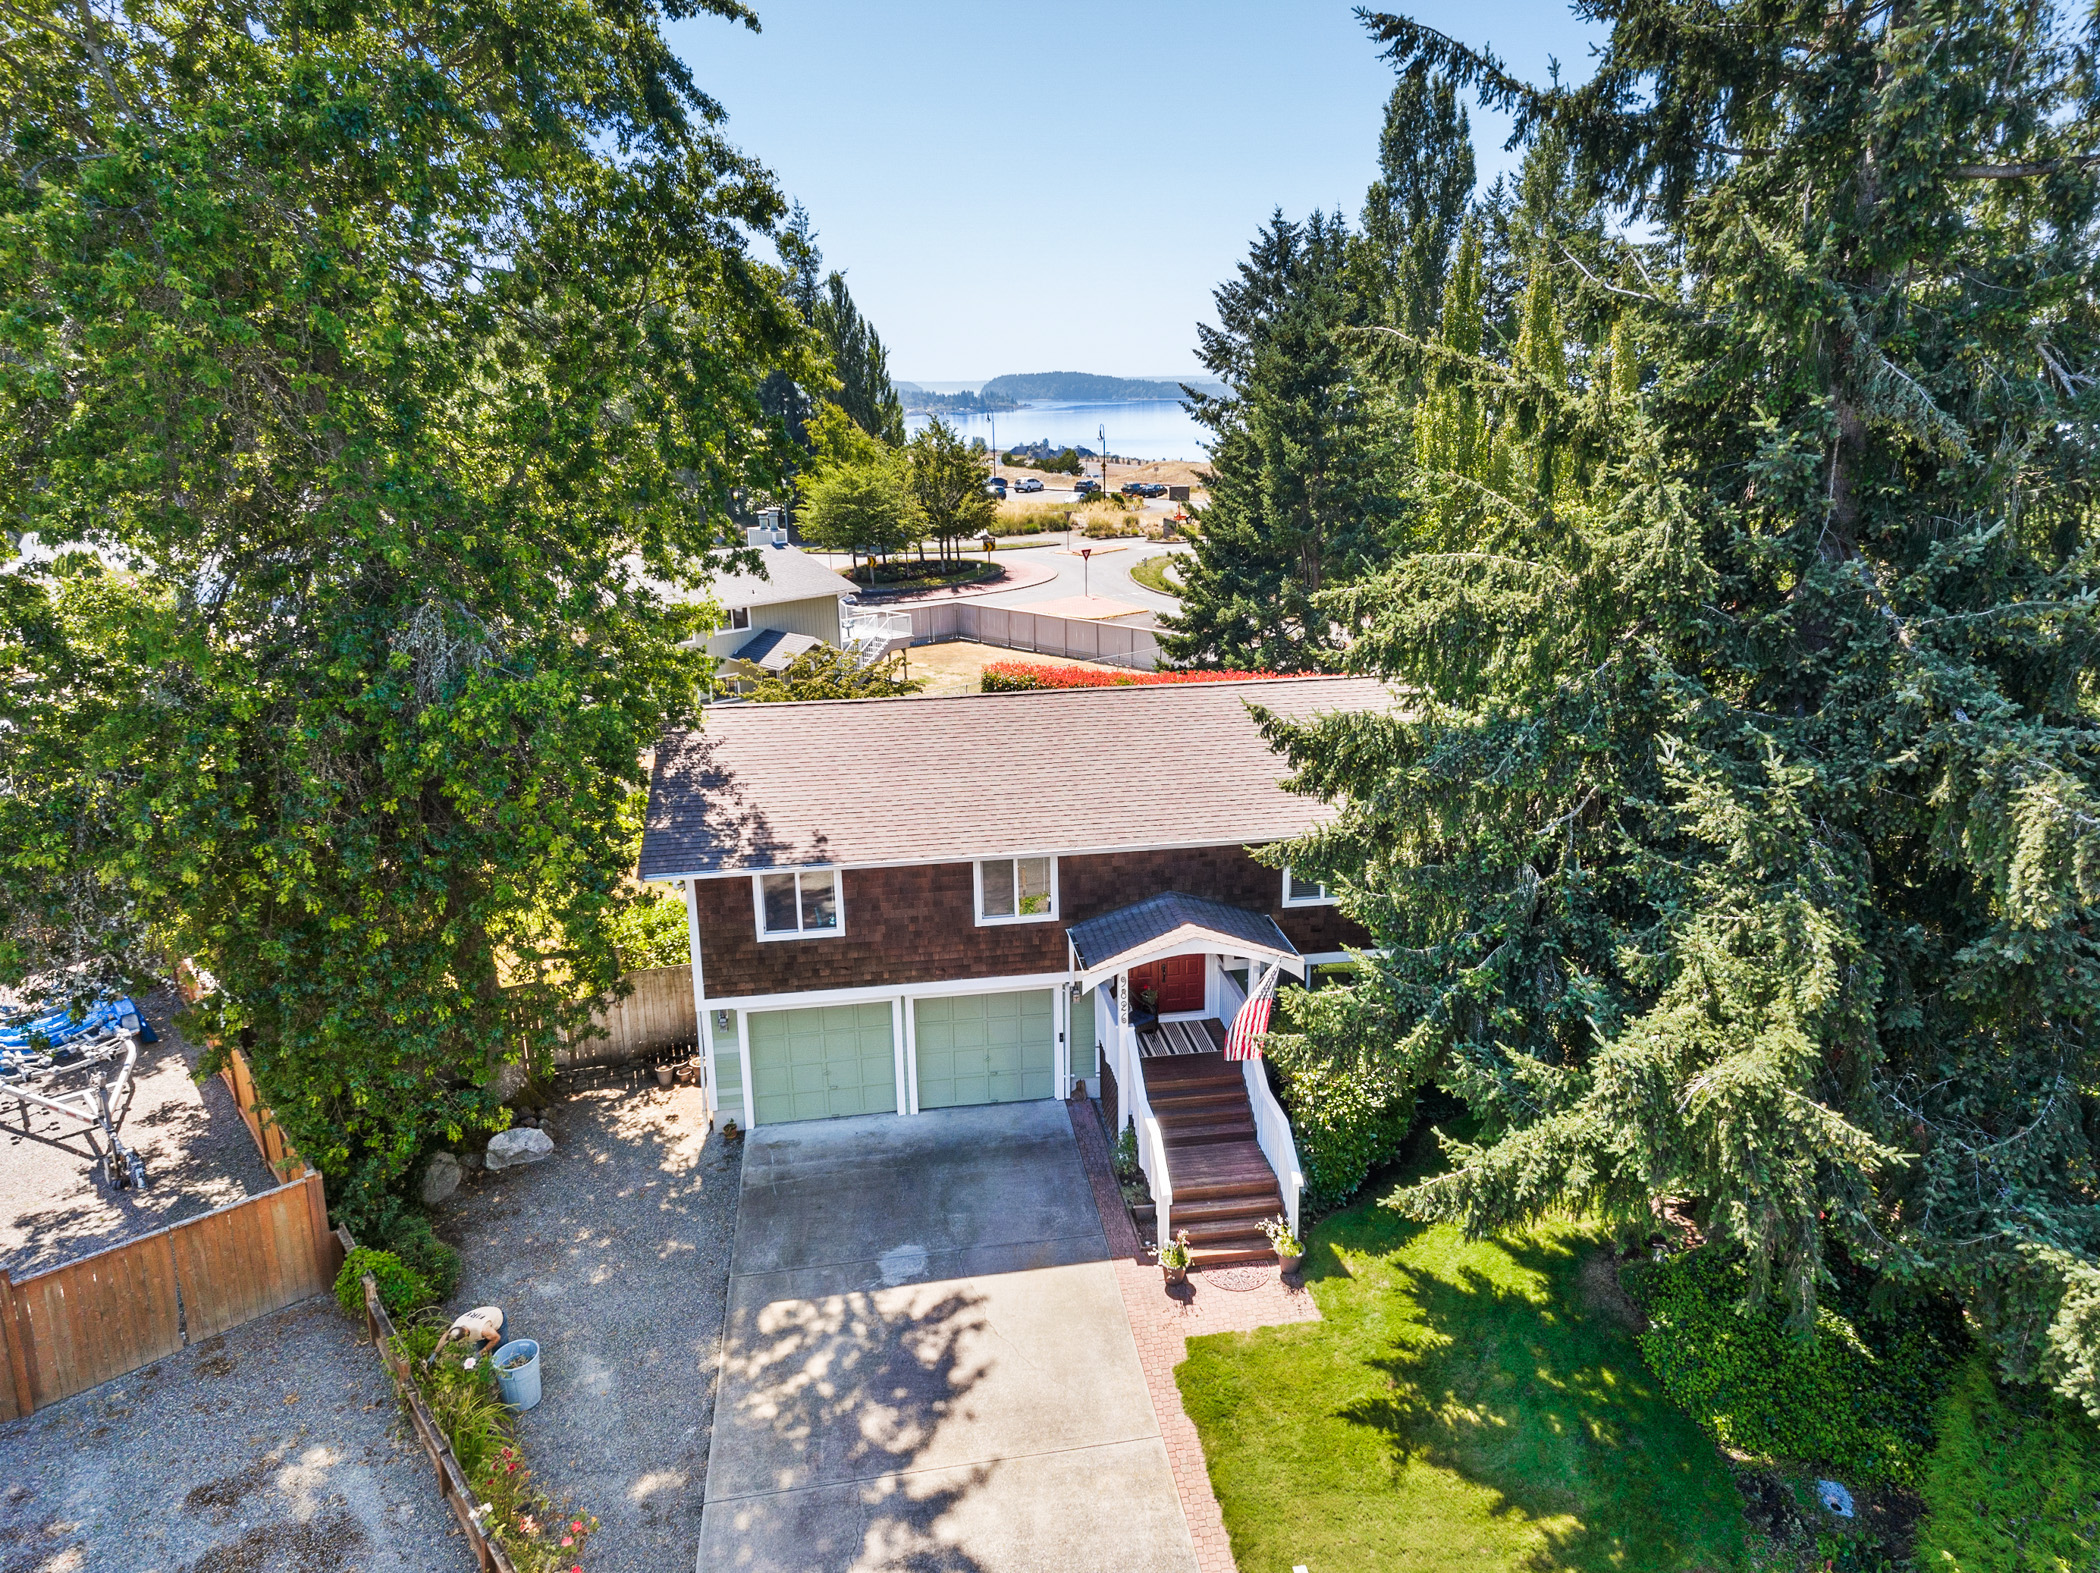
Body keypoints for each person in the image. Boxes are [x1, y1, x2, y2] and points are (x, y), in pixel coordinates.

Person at [424, 1305, 506, 1367]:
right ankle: (487, 1367)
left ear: (466, 1333)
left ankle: (501, 1367)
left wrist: (481, 1353)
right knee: (482, 1350)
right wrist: (435, 1353)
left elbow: (496, 1338)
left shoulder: (482, 1329)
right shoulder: (458, 1324)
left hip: (497, 1317)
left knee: (499, 1351)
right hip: (483, 1315)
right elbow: (445, 1336)